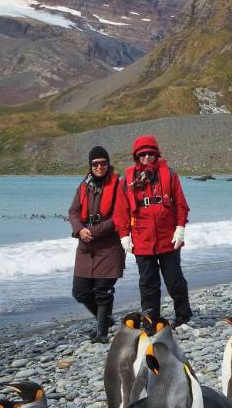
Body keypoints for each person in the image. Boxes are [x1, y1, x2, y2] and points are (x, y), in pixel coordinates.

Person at [120, 135, 193, 327]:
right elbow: (121, 211)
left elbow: (181, 204)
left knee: (174, 280)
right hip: (142, 240)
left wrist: (180, 228)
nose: (146, 157)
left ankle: (183, 315)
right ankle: (151, 320)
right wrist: (124, 235)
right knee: (148, 283)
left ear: (156, 154)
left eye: (150, 154)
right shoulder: (127, 179)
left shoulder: (169, 174)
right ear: (136, 157)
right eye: (142, 154)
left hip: (168, 238)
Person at [68, 146, 130, 343]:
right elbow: (73, 212)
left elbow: (118, 216)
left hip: (109, 246)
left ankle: (102, 333)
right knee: (80, 291)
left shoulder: (118, 185)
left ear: (108, 163)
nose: (99, 167)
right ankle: (105, 320)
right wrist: (79, 229)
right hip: (86, 246)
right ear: (90, 165)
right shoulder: (83, 186)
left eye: (103, 163)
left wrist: (92, 231)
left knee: (103, 291)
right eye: (95, 164)